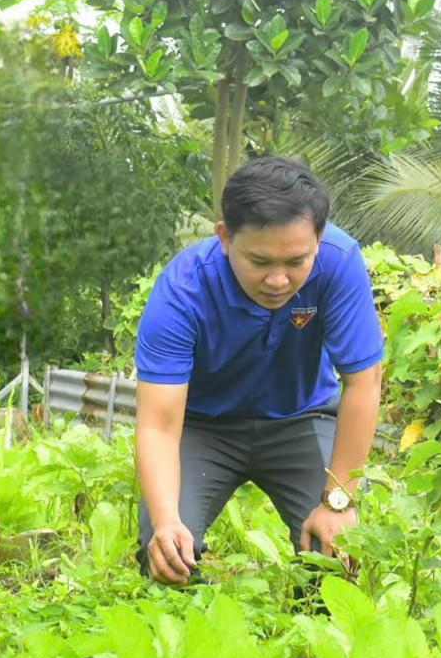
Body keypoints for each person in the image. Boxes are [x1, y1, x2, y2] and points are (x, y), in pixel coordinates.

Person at [132, 156, 385, 584]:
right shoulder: (182, 289)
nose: (278, 280)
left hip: (303, 416)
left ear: (319, 239)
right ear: (225, 237)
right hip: (203, 426)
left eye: (296, 262)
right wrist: (166, 521)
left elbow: (364, 383)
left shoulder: (339, 263)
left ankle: (309, 633)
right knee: (167, 554)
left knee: (340, 554)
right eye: (260, 262)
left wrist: (338, 502)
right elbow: (157, 425)